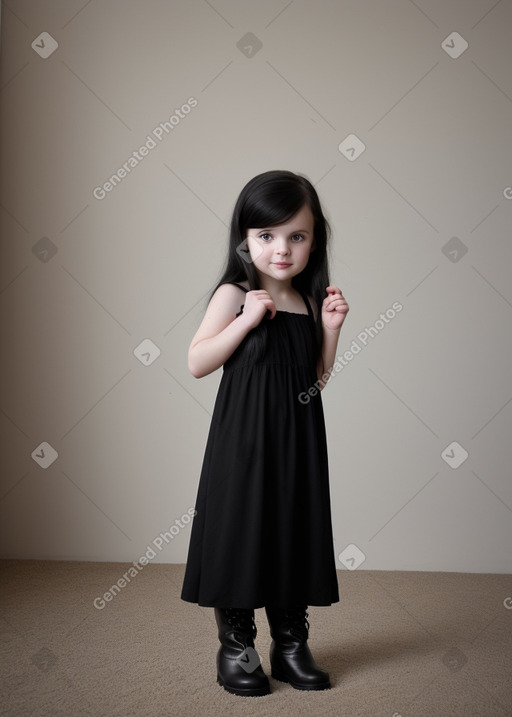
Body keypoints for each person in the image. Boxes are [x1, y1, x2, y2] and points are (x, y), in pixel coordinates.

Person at [180, 170, 349, 697]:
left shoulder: (306, 298)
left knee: (292, 531)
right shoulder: (236, 293)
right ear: (245, 239)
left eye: (296, 236)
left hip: (296, 443)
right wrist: (245, 320)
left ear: (314, 240)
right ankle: (237, 648)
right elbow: (197, 361)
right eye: (267, 236)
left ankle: (291, 645)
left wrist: (331, 331)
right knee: (239, 531)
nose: (282, 249)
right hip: (243, 443)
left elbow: (314, 378)